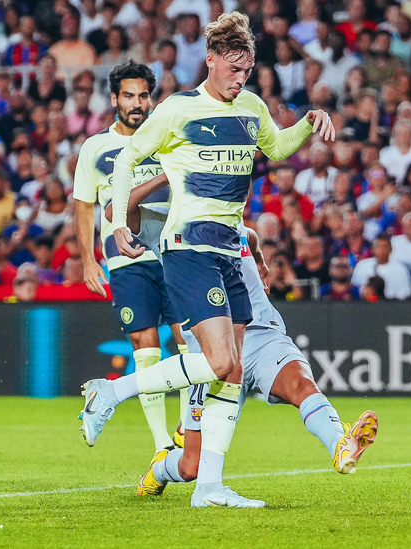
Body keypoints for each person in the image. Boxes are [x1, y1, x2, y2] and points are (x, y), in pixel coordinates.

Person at [79, 13, 336, 509]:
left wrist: (306, 123)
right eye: (232, 69)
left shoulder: (252, 107)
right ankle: (109, 394)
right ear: (211, 62)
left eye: (247, 70)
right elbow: (129, 157)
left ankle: (209, 488)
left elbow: (276, 147)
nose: (240, 79)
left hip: (227, 251)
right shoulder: (178, 109)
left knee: (231, 371)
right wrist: (116, 226)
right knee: (219, 362)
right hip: (187, 247)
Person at [117, 176, 376, 496]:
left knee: (301, 385)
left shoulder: (228, 217)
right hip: (214, 351)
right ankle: (159, 469)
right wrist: (168, 175)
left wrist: (260, 261)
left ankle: (340, 443)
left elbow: (249, 236)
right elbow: (119, 208)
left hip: (261, 332)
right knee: (191, 466)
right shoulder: (166, 225)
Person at [71, 60, 188, 458]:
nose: (137, 103)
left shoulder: (168, 139)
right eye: (129, 96)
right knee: (145, 346)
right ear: (114, 99)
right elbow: (86, 207)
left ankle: (189, 423)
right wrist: (88, 259)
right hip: (125, 258)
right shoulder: (95, 147)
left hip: (174, 251)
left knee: (192, 342)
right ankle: (162, 447)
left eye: (143, 95)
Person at [352, 233, 411, 300]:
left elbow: (405, 295)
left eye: (384, 247)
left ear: (391, 249)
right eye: (378, 247)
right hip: (366, 304)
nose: (381, 250)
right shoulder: (362, 266)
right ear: (372, 249)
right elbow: (354, 289)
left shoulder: (400, 269)